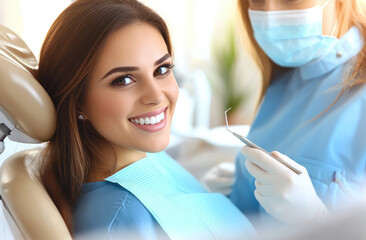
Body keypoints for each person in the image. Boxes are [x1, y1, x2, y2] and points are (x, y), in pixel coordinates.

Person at [36, 0, 254, 239]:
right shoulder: (119, 220)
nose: (156, 96)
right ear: (77, 101)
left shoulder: (142, 156)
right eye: (123, 80)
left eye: (161, 70)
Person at [204, 0, 366, 227]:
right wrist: (233, 195)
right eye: (257, 0)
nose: (270, 15)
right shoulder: (283, 82)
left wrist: (317, 219)